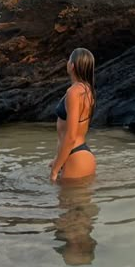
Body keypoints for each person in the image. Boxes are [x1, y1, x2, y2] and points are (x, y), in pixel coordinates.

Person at [50, 47, 97, 182]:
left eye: (69, 60)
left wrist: (54, 171)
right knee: (77, 203)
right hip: (81, 154)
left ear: (72, 66)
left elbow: (71, 135)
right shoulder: (88, 89)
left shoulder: (74, 92)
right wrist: (57, 159)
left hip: (75, 156)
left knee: (66, 202)